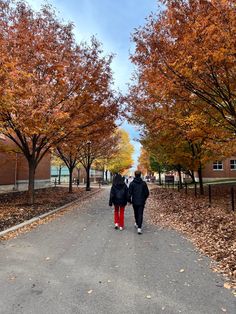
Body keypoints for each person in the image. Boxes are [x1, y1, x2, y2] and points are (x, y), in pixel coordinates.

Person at [128, 170, 149, 234]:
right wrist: (144, 199)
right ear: (140, 175)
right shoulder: (143, 183)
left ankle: (137, 223)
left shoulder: (132, 183)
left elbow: (129, 193)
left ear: (135, 175)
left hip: (135, 201)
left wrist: (129, 201)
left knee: (136, 213)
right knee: (140, 214)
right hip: (141, 201)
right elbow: (147, 193)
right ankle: (139, 228)